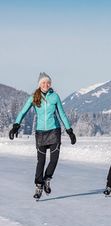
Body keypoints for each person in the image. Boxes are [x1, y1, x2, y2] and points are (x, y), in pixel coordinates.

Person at [9, 72, 76, 200]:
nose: (46, 84)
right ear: (40, 84)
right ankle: (39, 185)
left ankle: (47, 179)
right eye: (44, 83)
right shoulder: (34, 97)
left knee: (54, 159)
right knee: (41, 160)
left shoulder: (55, 96)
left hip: (54, 131)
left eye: (48, 82)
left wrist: (70, 130)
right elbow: (23, 111)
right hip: (40, 133)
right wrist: (16, 125)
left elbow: (61, 114)